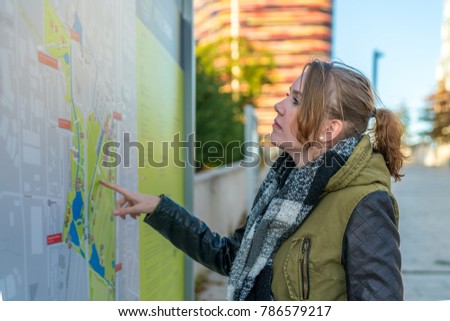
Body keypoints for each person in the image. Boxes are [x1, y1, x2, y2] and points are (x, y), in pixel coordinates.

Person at [101, 59, 406, 301]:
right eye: (289, 95)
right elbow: (233, 256)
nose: (280, 105)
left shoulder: (366, 204)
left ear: (329, 129)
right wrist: (159, 209)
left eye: (297, 101)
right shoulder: (286, 183)